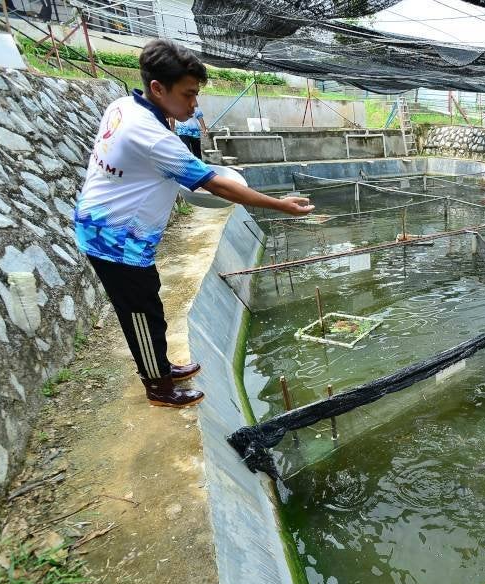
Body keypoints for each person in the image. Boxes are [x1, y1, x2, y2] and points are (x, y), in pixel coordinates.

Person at [73, 39, 314, 408]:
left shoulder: (124, 106)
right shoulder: (153, 138)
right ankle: (158, 387)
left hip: (108, 224)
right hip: (115, 239)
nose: (194, 104)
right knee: (141, 313)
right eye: (188, 94)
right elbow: (217, 185)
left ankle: (162, 366)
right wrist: (280, 204)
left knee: (149, 305)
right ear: (158, 88)